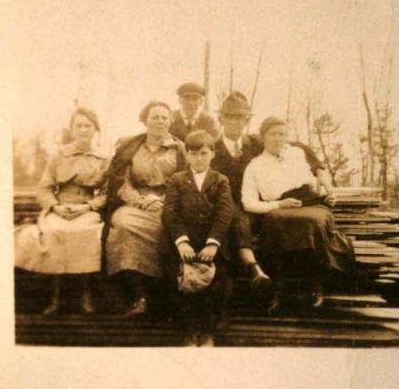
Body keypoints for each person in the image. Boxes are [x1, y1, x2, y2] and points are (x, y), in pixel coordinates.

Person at [211, 91, 327, 292]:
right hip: (225, 204)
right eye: (229, 117)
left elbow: (295, 146)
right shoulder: (211, 148)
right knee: (239, 221)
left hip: (256, 203)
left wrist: (319, 169)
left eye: (240, 118)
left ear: (246, 121)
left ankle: (283, 281)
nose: (235, 122)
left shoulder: (256, 143)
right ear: (221, 119)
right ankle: (251, 270)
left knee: (277, 224)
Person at [241, 116, 356, 313]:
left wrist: (328, 196)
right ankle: (279, 288)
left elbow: (316, 180)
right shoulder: (255, 165)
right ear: (263, 138)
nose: (278, 139)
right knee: (277, 223)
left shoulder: (298, 153)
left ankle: (315, 284)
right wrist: (278, 204)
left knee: (314, 221)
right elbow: (248, 202)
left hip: (310, 202)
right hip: (279, 207)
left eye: (282, 134)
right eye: (273, 134)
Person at [15, 107, 109, 315]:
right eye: (79, 126)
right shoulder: (59, 155)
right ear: (72, 129)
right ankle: (55, 297)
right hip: (60, 206)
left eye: (88, 126)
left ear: (96, 130)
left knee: (86, 234)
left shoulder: (103, 157)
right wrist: (56, 206)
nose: (83, 130)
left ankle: (86, 294)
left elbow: (107, 193)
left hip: (87, 208)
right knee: (53, 232)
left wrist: (88, 206)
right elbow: (44, 187)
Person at [103, 100, 187, 315]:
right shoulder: (130, 147)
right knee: (122, 225)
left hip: (168, 205)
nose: (160, 121)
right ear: (145, 121)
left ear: (171, 121)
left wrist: (164, 201)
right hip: (135, 203)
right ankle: (139, 294)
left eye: (164, 117)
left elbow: (186, 181)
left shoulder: (179, 149)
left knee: (167, 229)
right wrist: (140, 201)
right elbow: (120, 181)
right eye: (155, 117)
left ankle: (163, 295)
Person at [162, 130, 235, 344]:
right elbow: (170, 212)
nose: (199, 158)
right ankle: (189, 333)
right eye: (193, 154)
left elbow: (225, 212)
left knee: (215, 286)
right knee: (182, 284)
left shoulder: (221, 181)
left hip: (212, 243)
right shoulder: (177, 180)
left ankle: (208, 333)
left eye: (204, 153)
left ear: (212, 154)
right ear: (186, 155)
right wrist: (181, 241)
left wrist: (213, 243)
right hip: (184, 243)